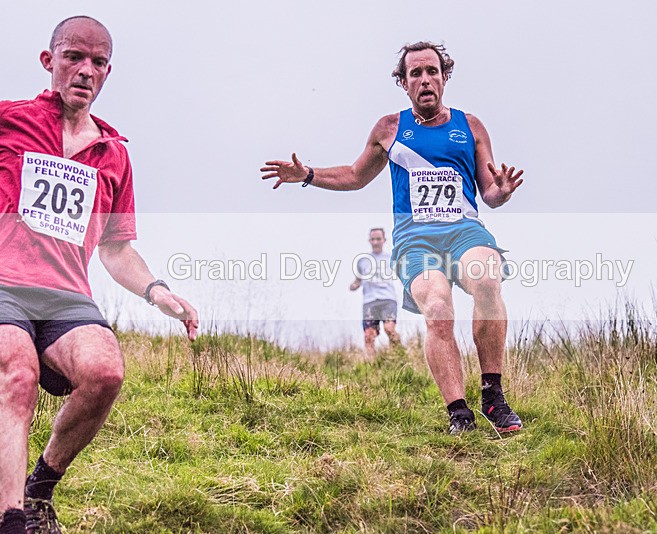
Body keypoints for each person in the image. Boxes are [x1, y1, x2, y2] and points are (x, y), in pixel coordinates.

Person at [261, 42, 524, 435]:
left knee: (487, 280)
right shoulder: (389, 128)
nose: (425, 80)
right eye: (415, 73)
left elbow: (490, 193)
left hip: (465, 230)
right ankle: (459, 413)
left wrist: (501, 192)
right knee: (437, 307)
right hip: (416, 240)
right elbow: (355, 175)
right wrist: (309, 175)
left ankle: (493, 397)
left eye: (431, 71)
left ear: (444, 76)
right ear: (403, 83)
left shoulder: (470, 126)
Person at [0, 17, 198, 534]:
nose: (85, 70)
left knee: (105, 372)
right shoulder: (8, 120)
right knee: (17, 375)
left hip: (66, 296)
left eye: (98, 62)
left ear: (108, 72)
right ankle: (11, 519)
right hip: (3, 283)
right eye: (74, 57)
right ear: (50, 62)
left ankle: (37, 491)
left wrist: (159, 292)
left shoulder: (114, 154)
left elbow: (116, 251)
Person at [349, 227, 401, 360]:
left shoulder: (391, 259)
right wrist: (355, 285)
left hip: (388, 299)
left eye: (378, 239)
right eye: (373, 239)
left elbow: (402, 276)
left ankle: (398, 356)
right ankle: (372, 364)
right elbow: (358, 279)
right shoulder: (363, 260)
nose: (376, 242)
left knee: (389, 329)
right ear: (369, 241)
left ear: (384, 240)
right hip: (370, 301)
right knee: (369, 335)